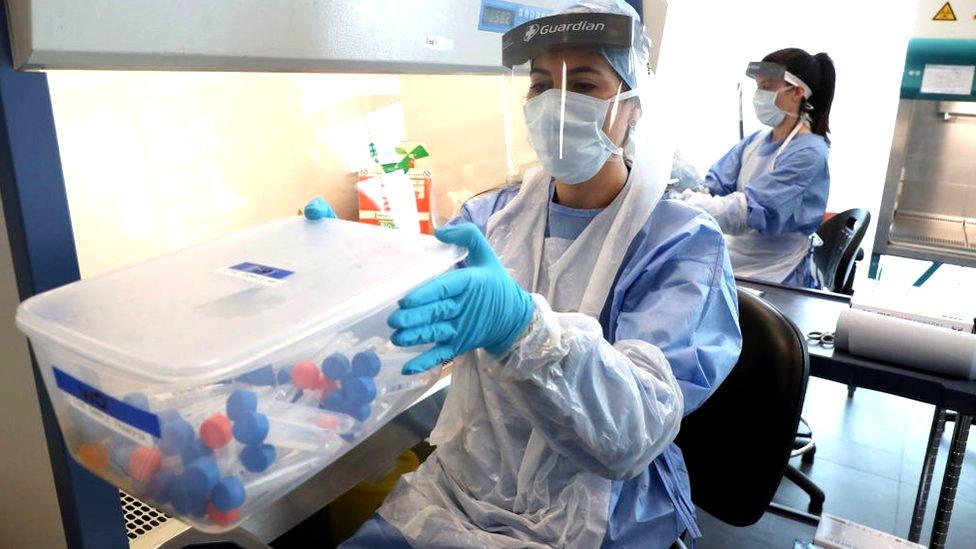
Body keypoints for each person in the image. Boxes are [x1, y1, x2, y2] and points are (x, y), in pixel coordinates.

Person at [306, 1, 741, 546]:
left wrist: (523, 330)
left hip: (597, 508)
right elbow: (420, 321)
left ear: (633, 106)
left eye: (584, 85)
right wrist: (344, 269)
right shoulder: (490, 219)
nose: (555, 105)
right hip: (464, 488)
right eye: (541, 86)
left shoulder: (681, 246)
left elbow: (633, 435)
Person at [680, 48, 836, 288]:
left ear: (797, 92)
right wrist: (683, 188)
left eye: (767, 86)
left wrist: (683, 205)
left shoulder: (810, 153)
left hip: (776, 272)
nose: (759, 95)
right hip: (737, 259)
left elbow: (747, 212)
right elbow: (714, 186)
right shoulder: (755, 142)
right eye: (758, 86)